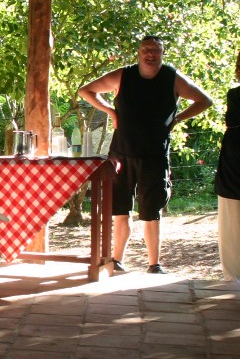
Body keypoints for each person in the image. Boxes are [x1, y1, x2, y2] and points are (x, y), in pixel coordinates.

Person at [78, 35, 212, 274]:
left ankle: (154, 265)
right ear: (139, 53)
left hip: (154, 154)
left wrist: (178, 118)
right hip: (122, 153)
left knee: (152, 211)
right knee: (120, 209)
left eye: (155, 51)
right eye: (146, 50)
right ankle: (117, 261)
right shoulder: (123, 75)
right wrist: (109, 110)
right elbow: (86, 90)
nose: (150, 54)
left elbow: (205, 100)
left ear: (162, 53)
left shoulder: (172, 78)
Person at [215, 49, 240, 284]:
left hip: (234, 160)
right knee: (233, 215)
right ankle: (234, 275)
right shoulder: (235, 95)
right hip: (235, 162)